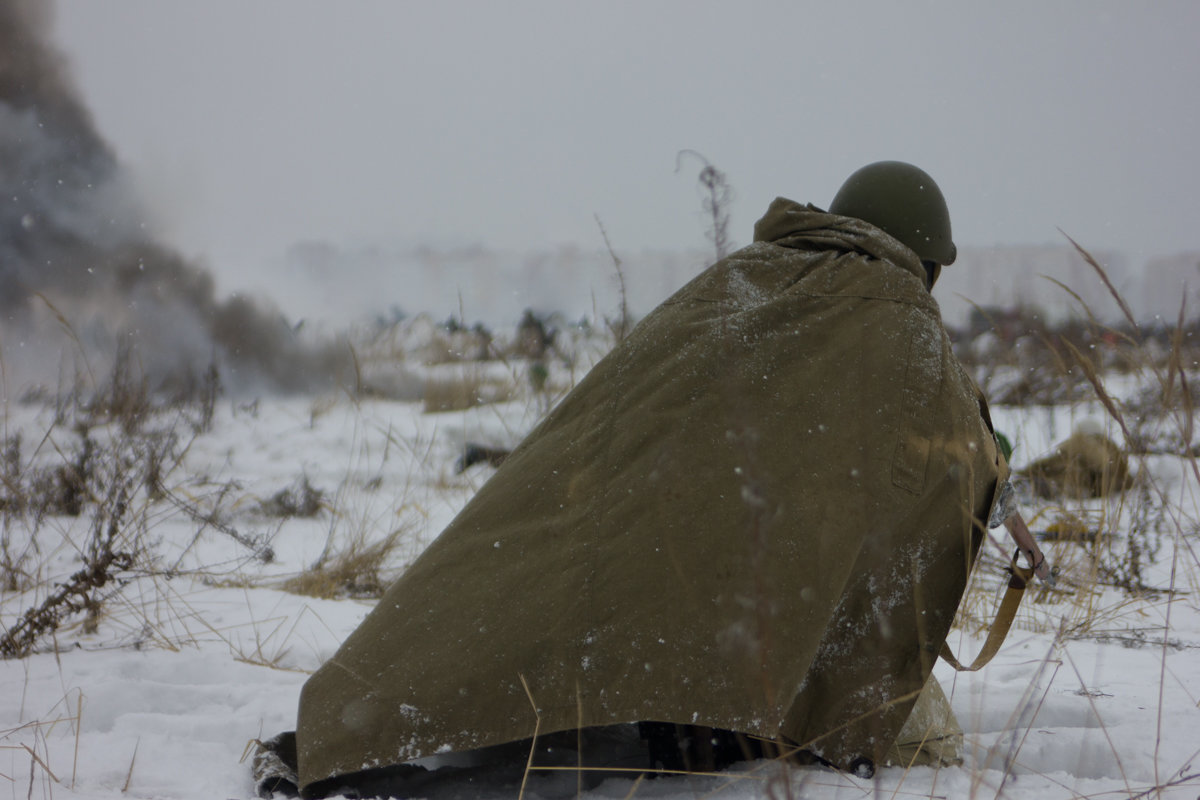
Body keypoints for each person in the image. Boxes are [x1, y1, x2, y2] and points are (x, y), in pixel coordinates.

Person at [256, 161, 1048, 798]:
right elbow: (938, 472)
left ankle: (361, 725)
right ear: (925, 252)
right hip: (752, 618)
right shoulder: (896, 317)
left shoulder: (747, 277)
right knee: (906, 732)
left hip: (682, 565)